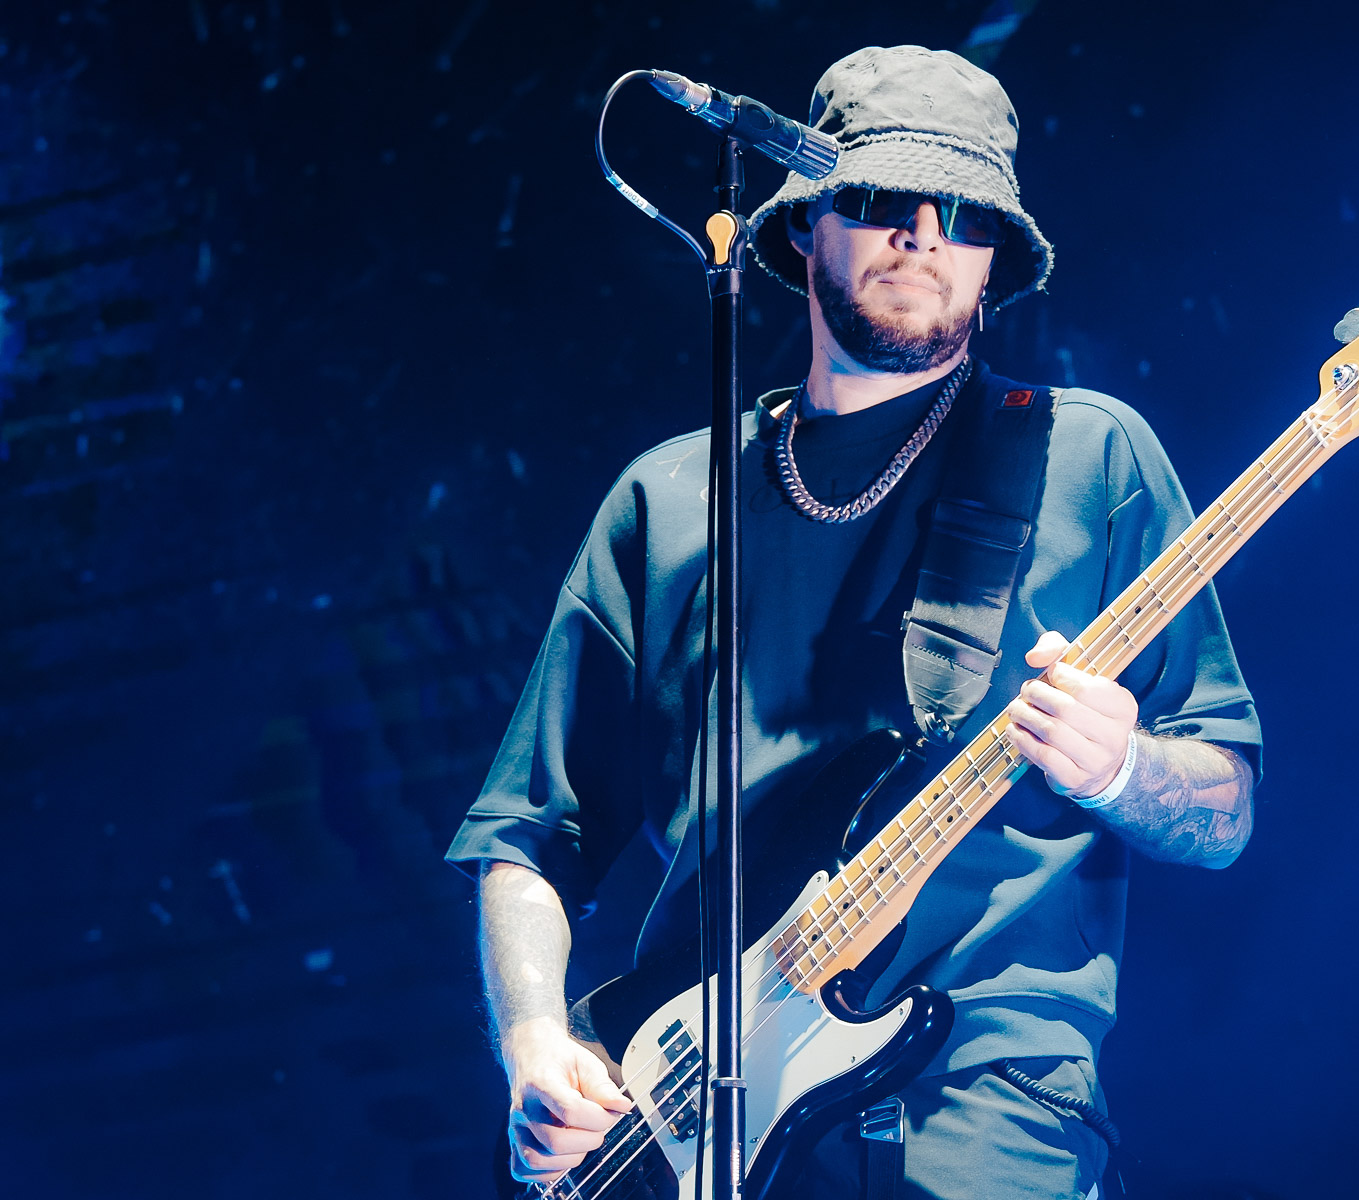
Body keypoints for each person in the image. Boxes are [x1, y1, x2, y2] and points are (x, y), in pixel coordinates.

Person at [446, 44, 1262, 1200]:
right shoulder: (668, 501)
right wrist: (535, 1042)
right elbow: (530, 832)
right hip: (695, 1117)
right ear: (804, 220)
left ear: (997, 255)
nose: (924, 236)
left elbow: (1224, 811)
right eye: (887, 200)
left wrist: (1123, 768)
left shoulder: (1086, 456)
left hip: (988, 1108)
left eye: (965, 216)